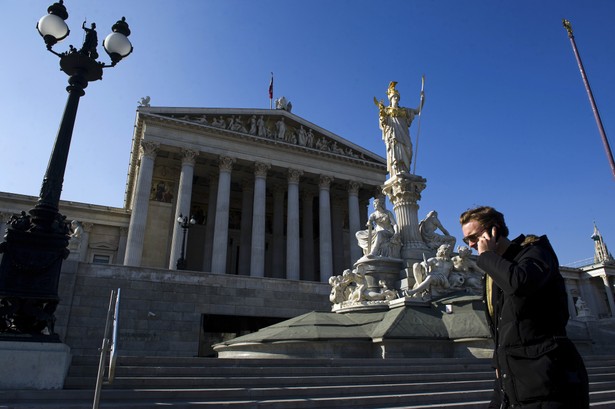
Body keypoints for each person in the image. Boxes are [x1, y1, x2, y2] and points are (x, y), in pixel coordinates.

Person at [459, 206, 589, 408]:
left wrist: (486, 257)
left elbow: (520, 283)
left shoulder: (535, 252)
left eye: (474, 237)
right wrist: (498, 363)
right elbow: (501, 325)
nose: (471, 244)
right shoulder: (494, 271)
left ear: (494, 230)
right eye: (467, 240)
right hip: (510, 378)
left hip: (547, 377)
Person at [374, 81, 424, 176]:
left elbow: (417, 111)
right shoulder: (387, 111)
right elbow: (383, 123)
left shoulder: (404, 111)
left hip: (404, 135)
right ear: (390, 99)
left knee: (408, 148)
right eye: (394, 97)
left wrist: (422, 99)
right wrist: (382, 116)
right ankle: (396, 171)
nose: (396, 99)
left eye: (397, 97)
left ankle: (405, 170)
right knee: (396, 154)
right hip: (394, 136)